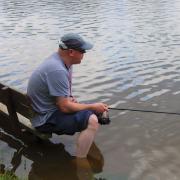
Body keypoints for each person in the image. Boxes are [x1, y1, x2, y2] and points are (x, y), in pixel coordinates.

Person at [27, 33, 108, 158]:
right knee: (92, 120)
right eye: (82, 51)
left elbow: (62, 99)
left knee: (91, 111)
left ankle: (87, 143)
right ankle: (81, 162)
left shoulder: (62, 62)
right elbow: (64, 107)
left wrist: (70, 99)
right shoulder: (58, 69)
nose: (84, 54)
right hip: (44, 120)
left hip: (42, 111)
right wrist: (91, 106)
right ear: (71, 52)